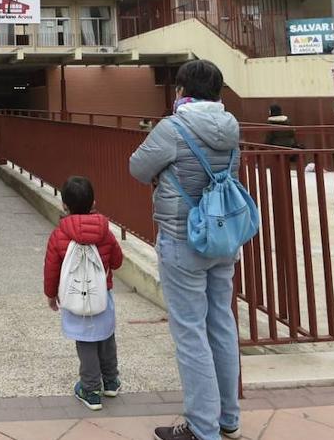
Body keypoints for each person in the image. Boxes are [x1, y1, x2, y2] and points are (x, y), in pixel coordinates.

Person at [129, 59, 242, 440]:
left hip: (182, 238)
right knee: (221, 324)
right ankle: (228, 417)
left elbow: (138, 168)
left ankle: (202, 427)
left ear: (181, 91)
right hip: (222, 237)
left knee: (190, 332)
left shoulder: (172, 128)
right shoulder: (231, 128)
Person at [43, 175, 124, 412]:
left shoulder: (59, 235)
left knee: (86, 341)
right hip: (102, 295)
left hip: (75, 296)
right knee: (106, 336)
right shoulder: (105, 233)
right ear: (94, 203)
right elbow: (117, 261)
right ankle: (110, 381)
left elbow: (51, 268)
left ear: (64, 205)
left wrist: (51, 294)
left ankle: (90, 389)